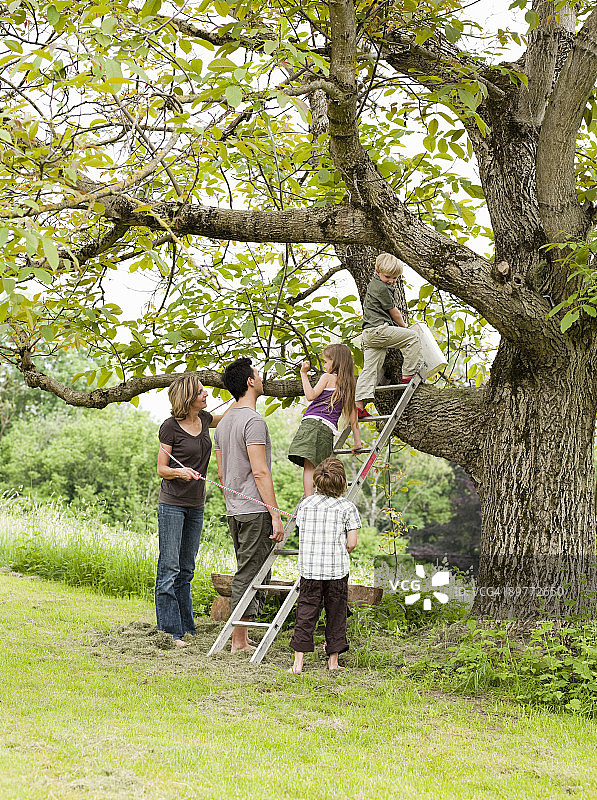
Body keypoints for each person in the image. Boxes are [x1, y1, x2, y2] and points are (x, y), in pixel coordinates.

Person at [213, 357, 285, 654]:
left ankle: (240, 636)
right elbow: (260, 471)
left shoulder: (224, 423)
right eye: (258, 373)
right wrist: (275, 515)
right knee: (250, 574)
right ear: (249, 382)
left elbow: (220, 472)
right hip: (254, 509)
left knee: (252, 570)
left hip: (234, 508)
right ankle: (238, 641)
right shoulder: (253, 421)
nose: (262, 377)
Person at [155, 374, 224, 647]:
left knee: (187, 569)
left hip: (196, 505)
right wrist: (179, 472)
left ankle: (187, 628)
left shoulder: (205, 420)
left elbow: (230, 415)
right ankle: (169, 633)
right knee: (169, 568)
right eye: (200, 392)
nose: (206, 395)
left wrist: (246, 391)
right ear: (188, 398)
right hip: (172, 505)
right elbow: (161, 468)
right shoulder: (169, 427)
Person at [289, 457, 360, 674]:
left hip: (310, 570)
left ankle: (298, 664)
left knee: (306, 613)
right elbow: (352, 543)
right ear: (342, 483)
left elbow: (301, 527)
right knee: (336, 613)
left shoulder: (306, 504)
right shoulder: (347, 507)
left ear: (317, 480)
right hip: (336, 571)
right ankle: (333, 662)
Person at [288, 343, 363, 497]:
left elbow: (310, 395)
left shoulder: (327, 377)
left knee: (309, 467)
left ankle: (309, 499)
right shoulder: (349, 385)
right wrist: (357, 442)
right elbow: (353, 417)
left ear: (336, 362)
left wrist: (303, 374)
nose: (324, 365)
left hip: (312, 423)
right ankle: (318, 496)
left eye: (326, 362)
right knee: (321, 469)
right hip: (327, 430)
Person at [355, 252, 423, 417]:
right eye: (388, 277)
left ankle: (358, 405)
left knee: (370, 369)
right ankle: (407, 375)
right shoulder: (382, 287)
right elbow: (394, 313)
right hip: (379, 330)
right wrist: (405, 326)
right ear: (377, 271)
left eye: (395, 278)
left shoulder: (375, 284)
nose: (391, 281)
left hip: (370, 335)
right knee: (412, 337)